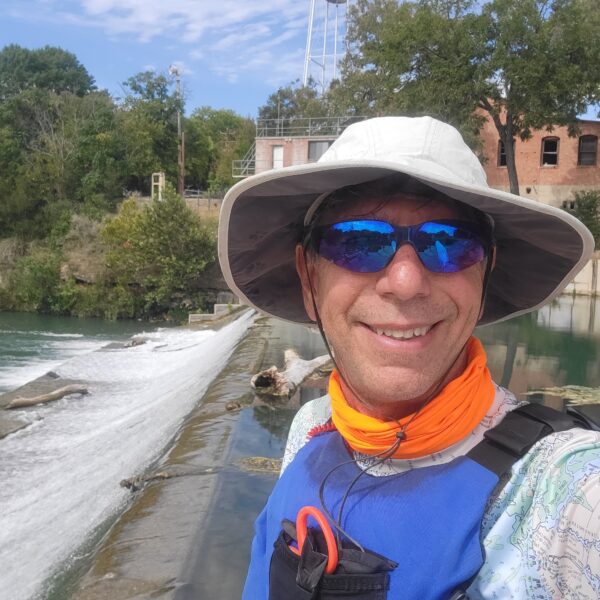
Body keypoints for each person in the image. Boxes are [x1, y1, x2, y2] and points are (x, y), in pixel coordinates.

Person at [218, 116, 600, 599]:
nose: (405, 283)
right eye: (358, 241)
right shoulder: (312, 425)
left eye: (449, 243)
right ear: (309, 279)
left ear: (484, 275)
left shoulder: (570, 492)